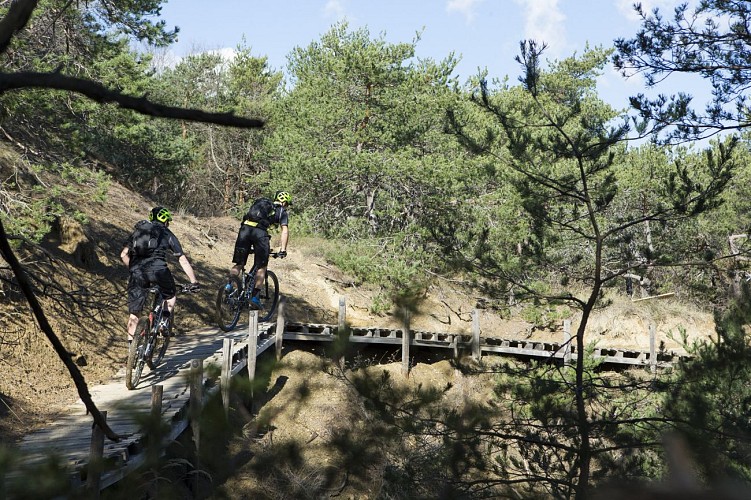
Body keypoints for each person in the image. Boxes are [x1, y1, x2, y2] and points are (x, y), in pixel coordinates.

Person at [120, 206, 199, 342]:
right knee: (171, 295)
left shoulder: (138, 231)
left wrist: (133, 269)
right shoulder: (167, 233)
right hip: (159, 271)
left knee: (134, 314)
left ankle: (131, 352)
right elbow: (182, 259)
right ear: (166, 221)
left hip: (137, 272)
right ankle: (163, 322)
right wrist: (194, 282)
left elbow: (123, 255)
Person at [230, 190, 290, 309]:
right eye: (287, 204)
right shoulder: (282, 211)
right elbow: (285, 231)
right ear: (284, 202)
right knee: (262, 267)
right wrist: (283, 250)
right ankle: (255, 298)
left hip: (244, 230)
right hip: (260, 234)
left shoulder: (262, 204)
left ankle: (228, 286)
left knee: (239, 263)